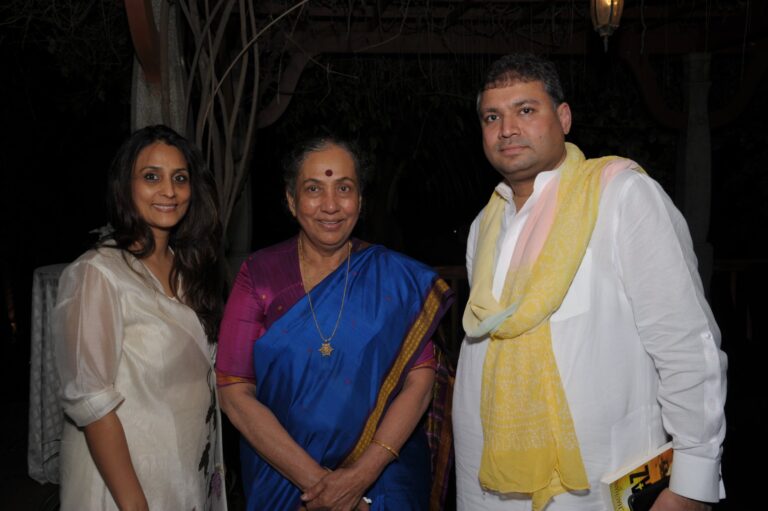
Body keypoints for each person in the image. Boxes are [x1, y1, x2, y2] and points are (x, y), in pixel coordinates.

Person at [453, 53, 727, 511]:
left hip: (598, 483)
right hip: (486, 480)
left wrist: (692, 482)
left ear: (563, 118)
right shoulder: (485, 223)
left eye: (526, 110)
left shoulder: (621, 196)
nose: (507, 129)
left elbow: (685, 343)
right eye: (492, 117)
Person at [215, 135, 454, 510]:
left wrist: (361, 476)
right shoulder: (259, 275)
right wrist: (323, 486)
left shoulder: (395, 279)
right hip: (284, 478)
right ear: (292, 201)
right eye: (313, 189)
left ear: (359, 199)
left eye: (344, 188)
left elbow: (420, 383)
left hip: (381, 481)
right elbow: (233, 391)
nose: (330, 205)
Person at [54, 125, 227, 511]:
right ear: (125, 187)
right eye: (152, 177)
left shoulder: (190, 272)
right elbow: (92, 405)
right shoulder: (98, 274)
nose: (169, 190)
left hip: (184, 472)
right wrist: (135, 505)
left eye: (180, 178)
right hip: (126, 485)